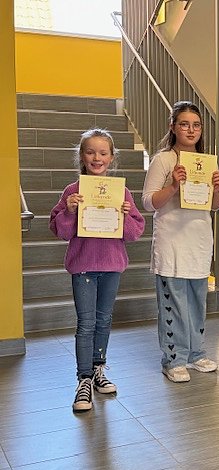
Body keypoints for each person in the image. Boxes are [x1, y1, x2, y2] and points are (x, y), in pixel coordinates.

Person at [50, 128, 145, 412]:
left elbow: (134, 233)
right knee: (86, 323)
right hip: (83, 268)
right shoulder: (72, 191)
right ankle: (84, 379)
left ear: (112, 157)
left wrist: (125, 215)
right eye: (90, 152)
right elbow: (60, 230)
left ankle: (98, 369)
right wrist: (68, 211)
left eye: (103, 153)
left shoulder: (122, 193)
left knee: (104, 320)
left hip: (112, 266)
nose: (97, 157)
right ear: (81, 156)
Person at [142, 101, 219, 383]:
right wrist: (174, 186)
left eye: (196, 125)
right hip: (172, 243)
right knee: (173, 303)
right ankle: (173, 359)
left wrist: (217, 189)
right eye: (185, 124)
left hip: (199, 242)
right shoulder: (164, 160)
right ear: (173, 127)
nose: (191, 130)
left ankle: (196, 353)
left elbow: (214, 205)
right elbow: (148, 202)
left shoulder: (206, 162)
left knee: (198, 302)